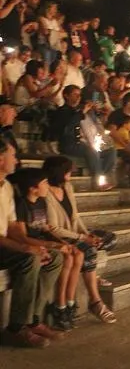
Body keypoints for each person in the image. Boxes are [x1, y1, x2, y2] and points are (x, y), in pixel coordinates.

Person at [0, 139, 64, 348]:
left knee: (54, 258)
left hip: (4, 243)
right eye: (13, 156)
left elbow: (13, 228)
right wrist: (26, 248)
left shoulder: (7, 186)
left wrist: (40, 246)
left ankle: (34, 320)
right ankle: (16, 327)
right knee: (29, 258)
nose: (16, 160)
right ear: (1, 159)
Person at [43, 155, 118, 324]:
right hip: (60, 237)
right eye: (68, 172)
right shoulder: (45, 192)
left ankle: (91, 272)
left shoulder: (67, 187)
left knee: (110, 239)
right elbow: (53, 228)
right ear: (59, 172)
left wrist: (88, 235)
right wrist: (82, 237)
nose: (71, 175)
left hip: (76, 233)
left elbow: (75, 216)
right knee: (89, 251)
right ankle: (95, 301)